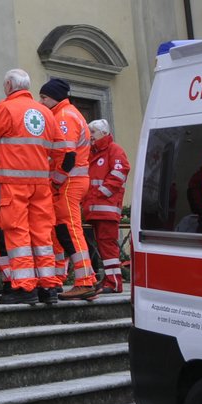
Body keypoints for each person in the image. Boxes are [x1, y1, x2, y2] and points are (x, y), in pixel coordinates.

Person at [0, 69, 60, 305]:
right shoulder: (45, 112)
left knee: (17, 233)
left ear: (9, 85)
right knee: (42, 234)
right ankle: (48, 287)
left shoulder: (6, 108)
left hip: (15, 184)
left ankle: (25, 287)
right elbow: (56, 147)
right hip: (41, 184)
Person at [39, 78, 99, 300]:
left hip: (67, 183)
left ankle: (84, 281)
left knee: (70, 229)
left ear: (55, 97)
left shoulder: (64, 117)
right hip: (70, 182)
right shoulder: (66, 114)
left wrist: (55, 181)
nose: (41, 101)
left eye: (44, 97)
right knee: (63, 230)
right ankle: (83, 279)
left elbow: (67, 155)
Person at [84, 119, 130, 294]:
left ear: (103, 133)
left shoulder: (114, 150)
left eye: (93, 133)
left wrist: (99, 193)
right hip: (95, 209)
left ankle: (114, 282)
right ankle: (109, 280)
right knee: (103, 246)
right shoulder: (93, 152)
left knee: (108, 246)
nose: (91, 137)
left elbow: (119, 173)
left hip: (106, 208)